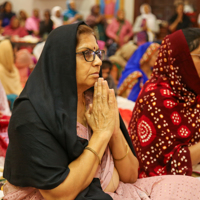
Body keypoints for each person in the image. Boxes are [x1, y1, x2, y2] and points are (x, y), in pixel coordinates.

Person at [3, 22, 200, 200]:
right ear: (61, 59)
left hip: (114, 190)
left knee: (193, 189)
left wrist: (112, 130)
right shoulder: (32, 113)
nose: (97, 61)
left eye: (97, 53)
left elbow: (131, 174)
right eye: (87, 53)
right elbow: (59, 195)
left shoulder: (97, 98)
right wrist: (101, 134)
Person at [129, 28, 200, 178]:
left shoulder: (192, 91)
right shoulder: (155, 98)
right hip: (162, 183)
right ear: (181, 59)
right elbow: (168, 164)